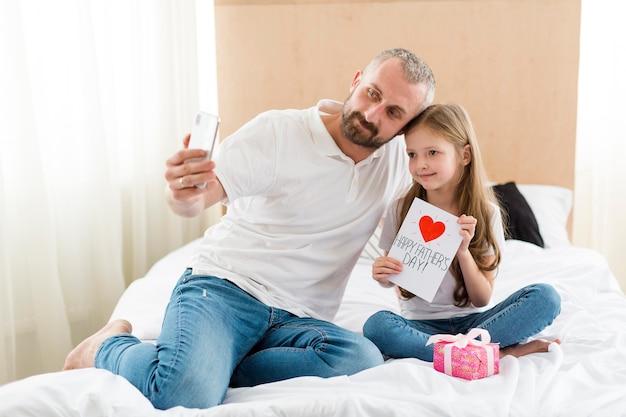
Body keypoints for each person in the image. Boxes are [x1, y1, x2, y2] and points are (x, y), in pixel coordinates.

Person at [63, 48, 436, 410]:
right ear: (357, 80)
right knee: (183, 393)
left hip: (301, 317)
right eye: (372, 93)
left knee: (360, 358)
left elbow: (429, 228)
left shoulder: (401, 164)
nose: (372, 114)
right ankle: (107, 346)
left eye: (393, 112)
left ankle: (213, 363)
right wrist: (181, 190)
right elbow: (194, 201)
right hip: (225, 289)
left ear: (408, 125)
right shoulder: (278, 132)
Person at [362, 103, 561, 362]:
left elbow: (481, 299)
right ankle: (494, 353)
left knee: (546, 298)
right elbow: (396, 280)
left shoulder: (486, 214)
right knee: (377, 326)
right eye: (412, 154)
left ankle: (455, 353)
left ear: (464, 155)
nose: (421, 164)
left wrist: (463, 252)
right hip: (420, 326)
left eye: (432, 152)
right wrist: (383, 275)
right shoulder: (401, 209)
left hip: (478, 323)